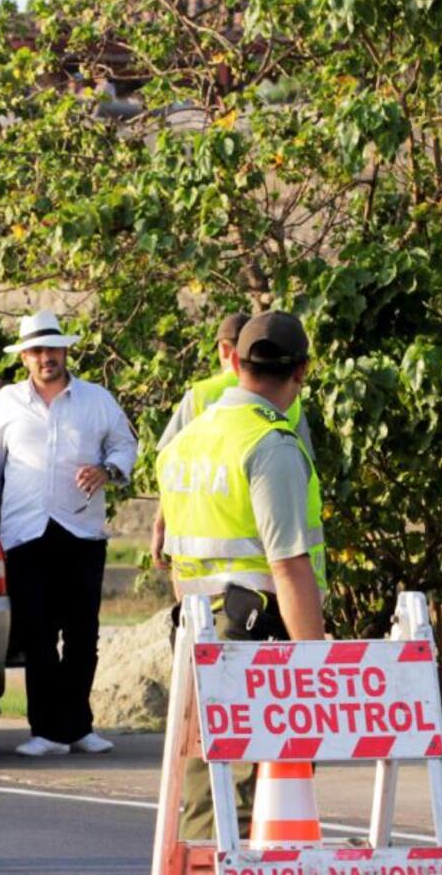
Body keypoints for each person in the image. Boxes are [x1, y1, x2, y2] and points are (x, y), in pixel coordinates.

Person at [156, 310, 327, 838]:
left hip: (196, 628)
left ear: (236, 363)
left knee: (206, 785)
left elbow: (177, 557)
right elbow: (289, 565)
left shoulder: (186, 441)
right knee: (255, 791)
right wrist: (316, 665)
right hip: (258, 633)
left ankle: (203, 863)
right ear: (301, 371)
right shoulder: (269, 445)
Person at [0, 311, 138, 757]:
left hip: (81, 530)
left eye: (53, 349)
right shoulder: (7, 402)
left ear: (66, 352)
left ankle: (78, 726)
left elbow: (125, 445)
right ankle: (45, 730)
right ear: (24, 357)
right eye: (37, 351)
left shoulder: (96, 399)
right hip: (25, 534)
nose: (47, 357)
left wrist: (106, 470)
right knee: (38, 636)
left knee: (83, 635)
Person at [151, 311, 313, 569]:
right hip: (273, 543)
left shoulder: (200, 393)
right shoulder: (289, 396)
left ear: (228, 352)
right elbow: (306, 469)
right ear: (301, 370)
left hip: (202, 541)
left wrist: (161, 524)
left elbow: (173, 466)